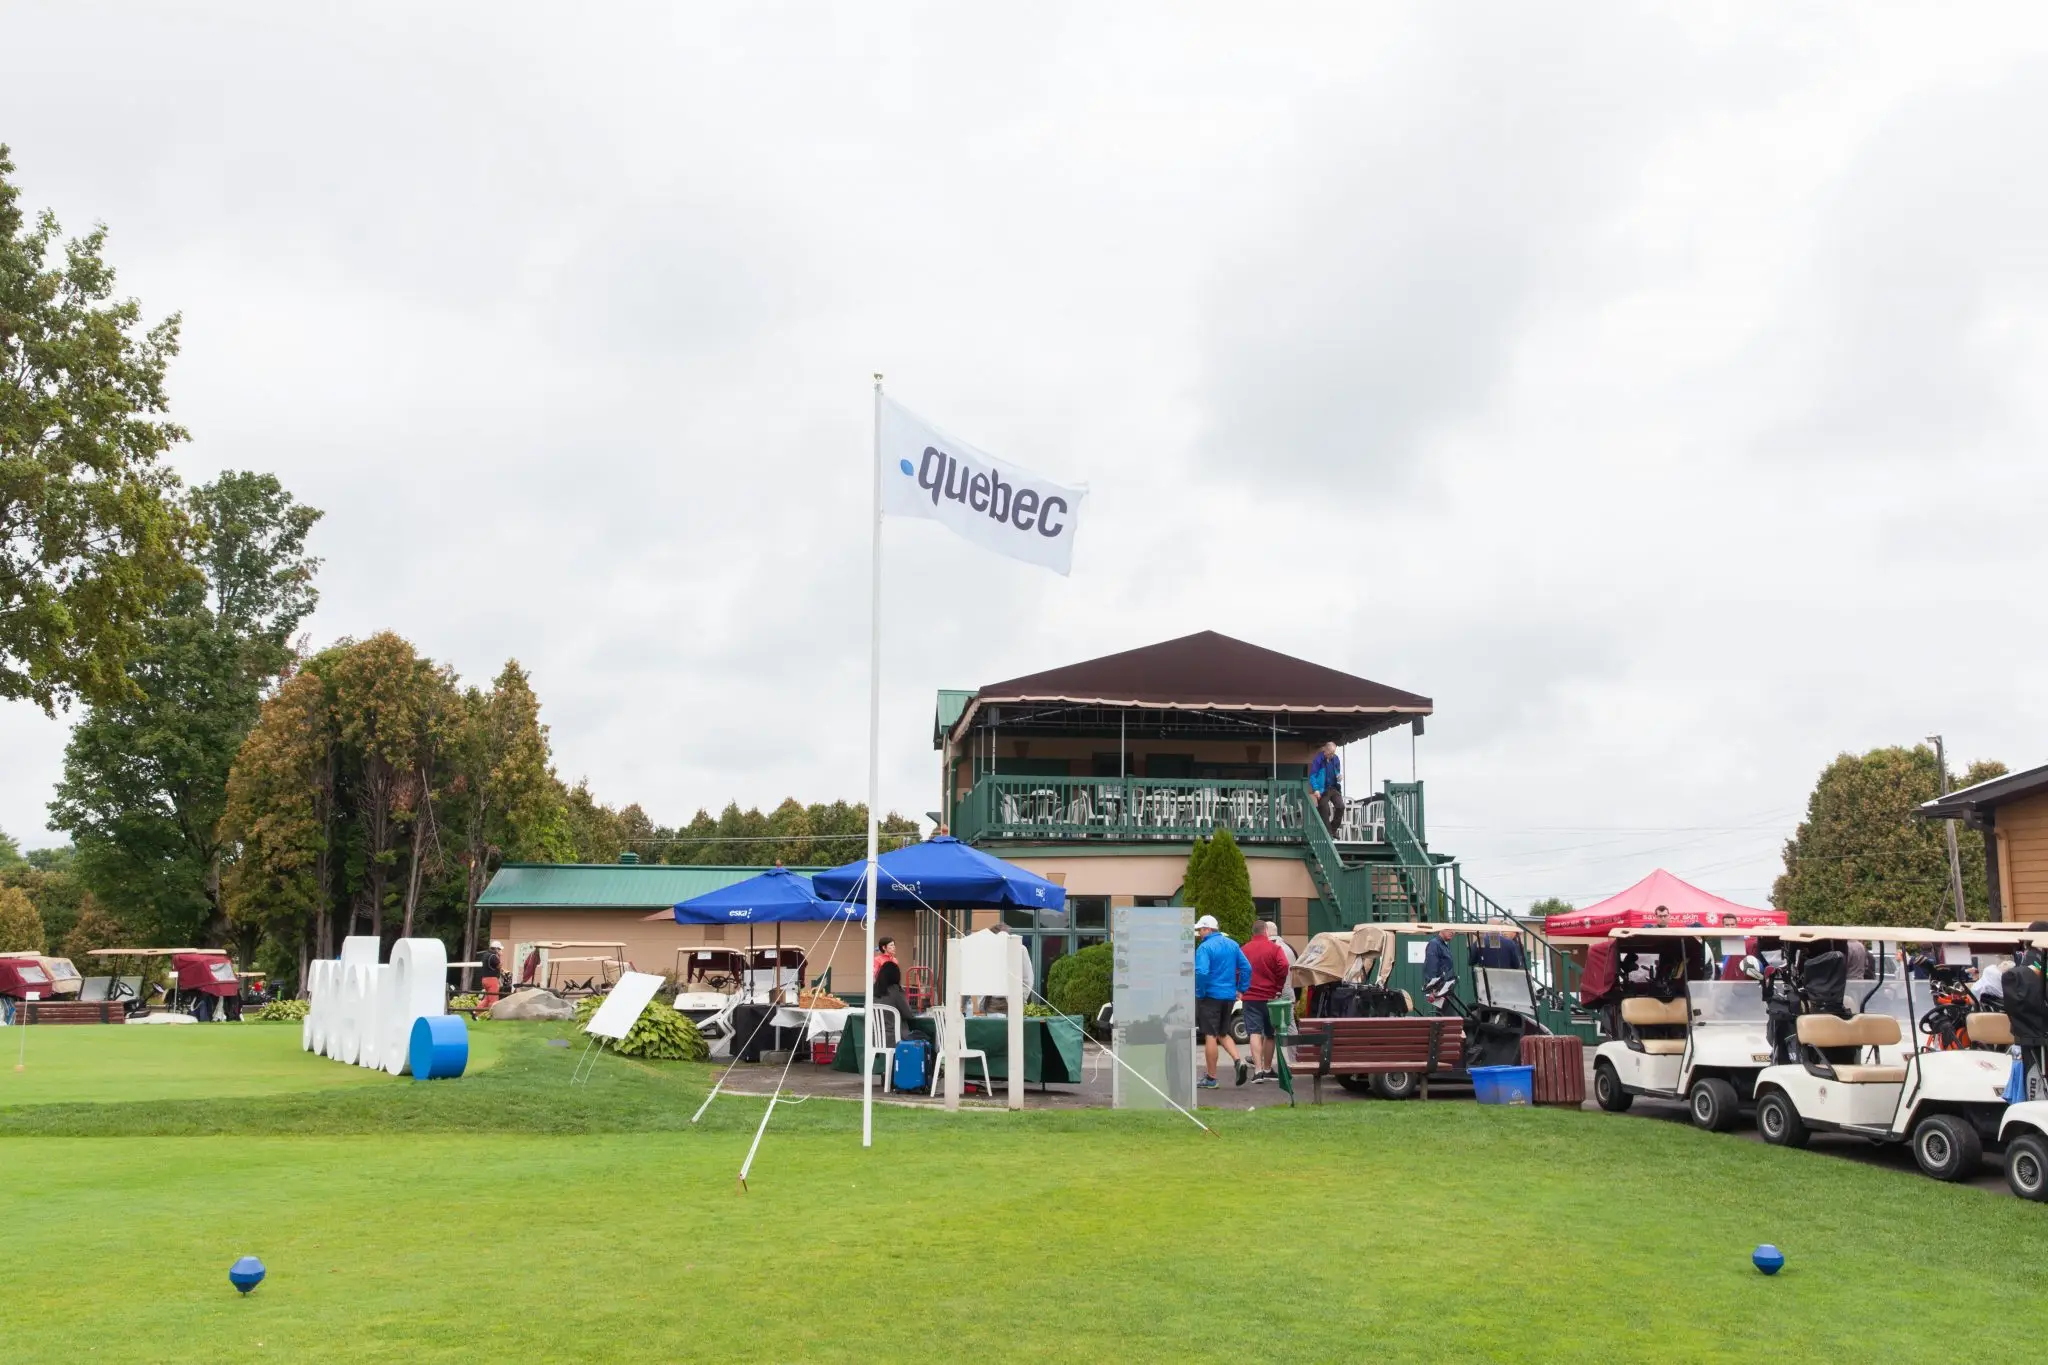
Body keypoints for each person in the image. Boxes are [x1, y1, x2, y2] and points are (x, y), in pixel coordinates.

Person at [1193, 914, 1252, 1088]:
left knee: (1210, 1034)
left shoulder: (1204, 948)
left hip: (1210, 995)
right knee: (1223, 1033)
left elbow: (1202, 972)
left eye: (1201, 930)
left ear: (1208, 929)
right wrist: (1241, 989)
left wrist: (1200, 992)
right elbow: (1246, 967)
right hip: (1228, 996)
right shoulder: (1232, 944)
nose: (1199, 933)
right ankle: (1238, 1060)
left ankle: (1211, 1078)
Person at [1241, 921, 1290, 1081]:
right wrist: (1278, 986)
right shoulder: (1275, 949)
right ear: (1266, 931)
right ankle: (1268, 1069)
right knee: (1270, 1034)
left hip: (1250, 997)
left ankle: (1258, 1071)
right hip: (1270, 997)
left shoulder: (1244, 949)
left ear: (1253, 932)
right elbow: (1284, 965)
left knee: (1254, 1032)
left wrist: (1241, 988)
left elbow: (1237, 970)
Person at [1308, 741, 1343, 835]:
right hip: (1322, 789)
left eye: (1334, 752)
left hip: (1334, 788)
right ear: (1326, 751)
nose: (1333, 755)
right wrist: (1316, 789)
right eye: (1331, 753)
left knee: (1340, 806)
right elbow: (1312, 776)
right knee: (1324, 808)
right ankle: (1328, 833)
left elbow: (1337, 772)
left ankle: (1333, 829)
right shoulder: (1318, 760)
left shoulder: (1335, 759)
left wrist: (1339, 776)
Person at [479, 941, 504, 1010]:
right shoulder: (493, 956)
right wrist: (500, 956)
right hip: (492, 979)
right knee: (493, 999)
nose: (500, 951)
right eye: (499, 949)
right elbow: (499, 966)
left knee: (487, 999)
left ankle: (475, 1013)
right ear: (496, 949)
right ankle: (492, 1015)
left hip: (484, 979)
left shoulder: (485, 955)